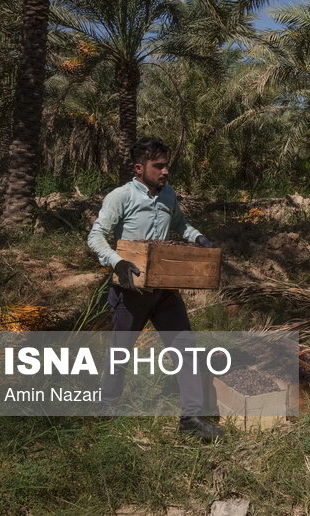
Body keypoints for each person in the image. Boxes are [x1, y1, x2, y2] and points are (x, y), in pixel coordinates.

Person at [87, 137, 223, 441]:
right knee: (120, 353)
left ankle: (191, 417)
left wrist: (198, 238)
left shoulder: (169, 195)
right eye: (158, 166)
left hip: (164, 290)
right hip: (130, 293)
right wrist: (117, 262)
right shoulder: (120, 197)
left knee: (186, 348)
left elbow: (181, 225)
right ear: (139, 168)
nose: (165, 172)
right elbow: (96, 237)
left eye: (167, 166)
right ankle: (106, 405)